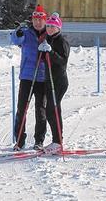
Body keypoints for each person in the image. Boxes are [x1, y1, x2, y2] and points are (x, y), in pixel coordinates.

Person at [11, 5, 48, 151]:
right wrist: (17, 32)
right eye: (35, 20)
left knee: (41, 110)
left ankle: (39, 140)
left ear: (45, 20)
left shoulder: (48, 34)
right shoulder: (27, 33)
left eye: (40, 20)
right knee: (22, 108)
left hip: (43, 77)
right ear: (32, 20)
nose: (38, 23)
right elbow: (16, 40)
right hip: (27, 75)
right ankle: (20, 141)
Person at [38, 13, 70, 154]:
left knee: (53, 110)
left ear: (58, 27)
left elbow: (62, 61)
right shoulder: (47, 39)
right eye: (49, 26)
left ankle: (58, 141)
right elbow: (45, 60)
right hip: (49, 79)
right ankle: (57, 141)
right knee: (51, 111)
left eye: (53, 26)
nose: (50, 28)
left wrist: (50, 52)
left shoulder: (62, 41)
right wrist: (42, 52)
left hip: (59, 81)